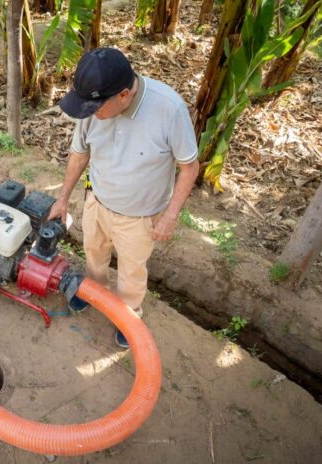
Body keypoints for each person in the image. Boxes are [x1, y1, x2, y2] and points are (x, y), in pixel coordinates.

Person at [49, 47, 199, 348]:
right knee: (94, 253)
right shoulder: (92, 106)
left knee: (131, 271)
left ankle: (128, 315)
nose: (89, 114)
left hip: (140, 215)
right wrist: (63, 198)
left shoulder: (169, 110)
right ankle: (95, 293)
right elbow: (79, 155)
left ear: (124, 95)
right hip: (98, 201)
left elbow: (189, 167)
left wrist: (170, 216)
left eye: (95, 108)